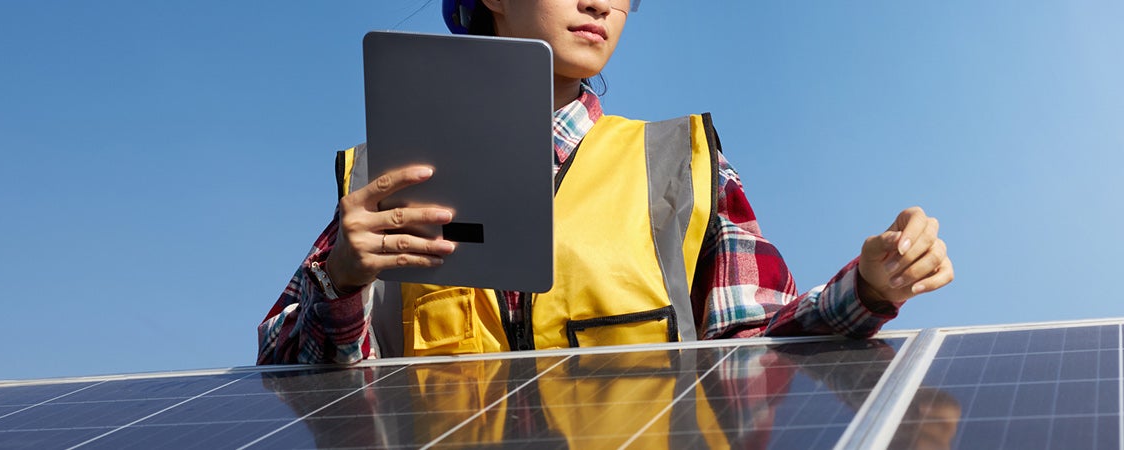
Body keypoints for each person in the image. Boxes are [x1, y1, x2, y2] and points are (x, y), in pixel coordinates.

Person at [258, 0, 954, 365]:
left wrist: (867, 289)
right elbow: (290, 380)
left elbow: (754, 350)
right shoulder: (383, 177)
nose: (601, 2)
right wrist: (341, 280)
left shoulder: (681, 161)